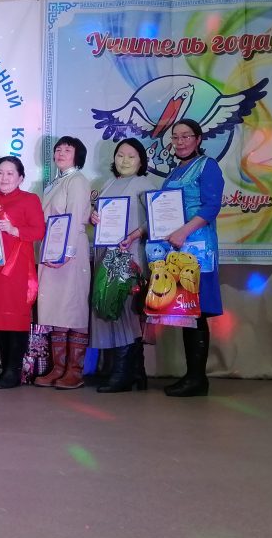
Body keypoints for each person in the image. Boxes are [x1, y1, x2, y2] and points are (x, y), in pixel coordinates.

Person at [88, 138, 160, 392]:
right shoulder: (108, 184)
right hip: (105, 254)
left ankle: (123, 374)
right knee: (109, 309)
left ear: (141, 160)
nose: (125, 160)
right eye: (120, 155)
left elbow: (157, 219)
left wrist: (135, 234)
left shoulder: (145, 184)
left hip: (128, 256)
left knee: (124, 311)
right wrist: (94, 217)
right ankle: (136, 372)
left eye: (131, 156)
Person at [160, 118, 225, 397]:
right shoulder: (175, 172)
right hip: (177, 249)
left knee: (197, 312)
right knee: (186, 312)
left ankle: (198, 379)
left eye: (186, 136)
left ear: (198, 139)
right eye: (175, 137)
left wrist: (183, 231)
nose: (180, 141)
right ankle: (192, 376)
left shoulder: (207, 165)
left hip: (198, 248)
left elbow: (211, 206)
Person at [0, 156, 45, 389]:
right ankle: (4, 368)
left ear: (20, 177)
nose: (4, 178)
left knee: (15, 319)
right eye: (0, 173)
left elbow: (39, 231)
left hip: (17, 270)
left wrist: (14, 229)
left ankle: (14, 371)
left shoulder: (29, 199)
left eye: (10, 173)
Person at [35, 136, 92, 390]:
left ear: (77, 155)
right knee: (55, 307)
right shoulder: (55, 182)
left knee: (74, 306)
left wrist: (66, 253)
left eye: (67, 150)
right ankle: (58, 368)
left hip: (70, 249)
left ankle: (74, 371)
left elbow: (76, 216)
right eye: (58, 149)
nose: (60, 153)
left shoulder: (77, 180)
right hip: (52, 245)